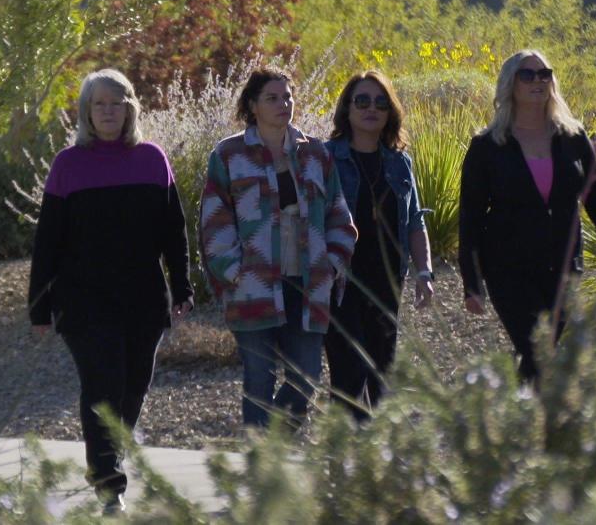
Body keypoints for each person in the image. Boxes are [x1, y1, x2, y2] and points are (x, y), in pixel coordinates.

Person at [28, 69, 193, 514]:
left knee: (133, 388)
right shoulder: (68, 164)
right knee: (103, 386)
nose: (108, 111)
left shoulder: (152, 159)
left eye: (116, 103)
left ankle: (111, 460)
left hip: (142, 296)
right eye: (99, 104)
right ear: (86, 111)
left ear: (129, 108)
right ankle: (108, 483)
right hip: (83, 301)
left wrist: (182, 285)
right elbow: (48, 241)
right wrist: (39, 306)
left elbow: (173, 232)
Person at [198, 67, 357, 429]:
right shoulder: (228, 155)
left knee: (307, 377)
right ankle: (262, 471)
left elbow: (338, 212)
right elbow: (214, 220)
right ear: (252, 105)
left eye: (287, 96)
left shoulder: (315, 154)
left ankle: (273, 451)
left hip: (308, 282)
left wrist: (332, 264)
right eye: (272, 98)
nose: (283, 104)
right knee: (259, 378)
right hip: (252, 284)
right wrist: (233, 270)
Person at [458, 50, 596, 383]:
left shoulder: (573, 138)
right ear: (510, 84)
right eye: (527, 75)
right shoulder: (487, 146)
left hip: (564, 267)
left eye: (544, 74)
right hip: (509, 270)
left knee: (543, 354)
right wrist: (472, 283)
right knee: (536, 348)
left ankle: (524, 418)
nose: (537, 81)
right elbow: (471, 217)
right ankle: (534, 422)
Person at [323, 70, 434, 421]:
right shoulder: (326, 158)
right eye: (362, 101)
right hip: (339, 282)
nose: (371, 108)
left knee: (380, 373)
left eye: (380, 102)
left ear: (390, 111)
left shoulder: (399, 163)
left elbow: (414, 220)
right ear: (347, 108)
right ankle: (343, 461)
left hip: (386, 282)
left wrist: (425, 272)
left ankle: (374, 461)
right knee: (348, 372)